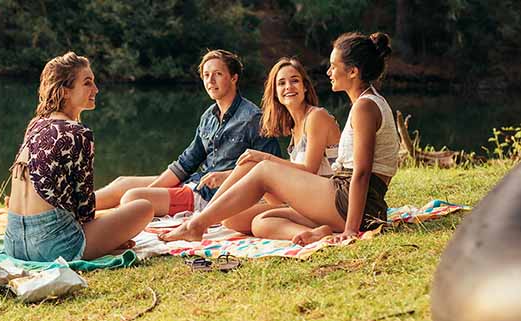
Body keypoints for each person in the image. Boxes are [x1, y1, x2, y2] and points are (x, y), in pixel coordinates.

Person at [160, 32, 399, 245]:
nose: (328, 72)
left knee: (264, 169)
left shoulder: (364, 107)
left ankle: (196, 225)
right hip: (348, 200)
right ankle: (320, 232)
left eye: (333, 66)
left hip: (352, 201)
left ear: (353, 71)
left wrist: (351, 230)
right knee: (261, 221)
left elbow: (362, 173)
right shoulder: (367, 103)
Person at [95, 50, 282, 218]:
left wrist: (225, 176)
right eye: (206, 75)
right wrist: (152, 189)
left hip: (212, 197)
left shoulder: (254, 118)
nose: (211, 81)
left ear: (234, 78)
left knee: (134, 197)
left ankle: (99, 222)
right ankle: (74, 210)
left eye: (218, 74)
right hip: (195, 183)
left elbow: (269, 171)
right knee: (122, 183)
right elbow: (186, 163)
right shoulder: (209, 116)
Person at [4, 52, 152, 262]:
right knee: (144, 208)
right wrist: (109, 236)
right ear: (65, 91)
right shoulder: (77, 133)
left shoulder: (36, 124)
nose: (96, 89)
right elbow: (85, 210)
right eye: (87, 83)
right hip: (52, 248)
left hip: (13, 243)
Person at [214, 57, 342, 235]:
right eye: (281, 83)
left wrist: (265, 158)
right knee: (231, 219)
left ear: (305, 86)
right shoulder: (295, 128)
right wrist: (230, 175)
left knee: (255, 163)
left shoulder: (317, 117)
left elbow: (309, 170)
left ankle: (199, 220)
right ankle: (312, 233)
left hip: (329, 202)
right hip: (307, 202)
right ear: (275, 92)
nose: (288, 87)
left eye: (294, 80)